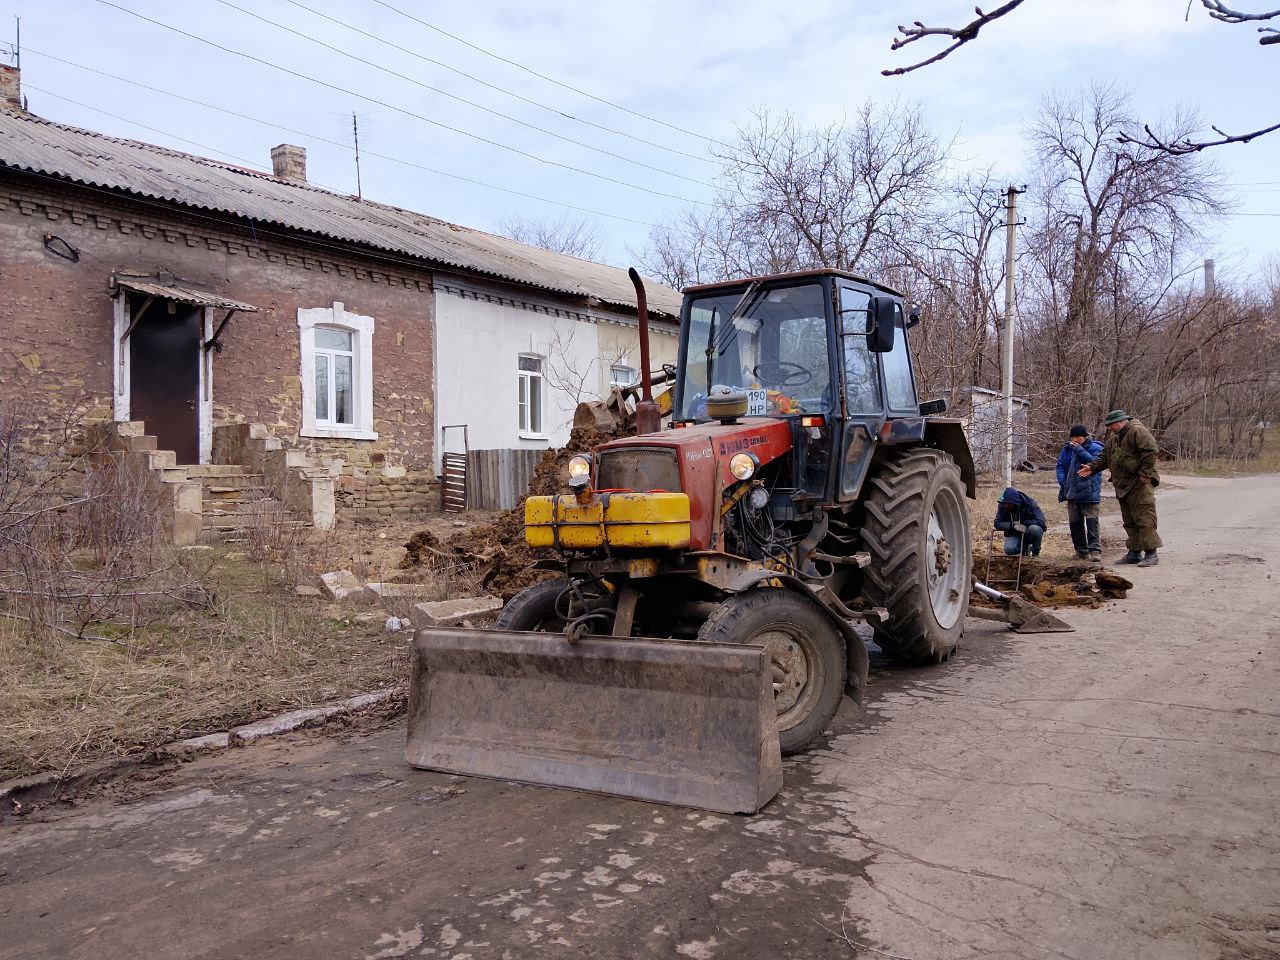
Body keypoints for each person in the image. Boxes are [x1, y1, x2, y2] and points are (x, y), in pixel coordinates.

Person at [1078, 409, 1162, 566]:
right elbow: (1105, 458)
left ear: (1120, 422)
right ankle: (1134, 552)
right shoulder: (1115, 438)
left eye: (1111, 424)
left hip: (1140, 483)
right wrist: (1092, 467)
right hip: (1124, 485)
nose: (1109, 428)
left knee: (1144, 518)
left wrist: (1145, 473)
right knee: (1129, 520)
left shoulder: (1137, 431)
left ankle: (1151, 553)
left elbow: (1151, 450)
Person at [1056, 424, 1105, 561]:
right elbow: (1060, 466)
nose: (1075, 440)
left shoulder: (1096, 448)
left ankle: (1095, 551)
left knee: (1092, 522)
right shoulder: (1067, 449)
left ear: (1085, 437)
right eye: (1073, 437)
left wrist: (1079, 449)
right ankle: (1081, 551)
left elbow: (1095, 463)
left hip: (1089, 491)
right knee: (1075, 523)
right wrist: (1064, 482)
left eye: (1078, 437)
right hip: (1071, 491)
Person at [994, 486, 1046, 557]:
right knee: (1009, 549)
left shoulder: (1030, 503)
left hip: (1029, 531)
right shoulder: (1002, 505)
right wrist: (1013, 525)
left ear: (1014, 502)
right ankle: (1023, 551)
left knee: (1035, 529)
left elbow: (1041, 521)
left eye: (1008, 504)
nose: (1006, 505)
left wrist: (1024, 524)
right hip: (1013, 532)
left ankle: (1035, 553)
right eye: (1004, 503)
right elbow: (997, 523)